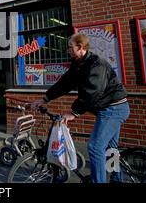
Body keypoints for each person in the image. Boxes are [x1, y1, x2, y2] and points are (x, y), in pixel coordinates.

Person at [31, 33, 129, 183]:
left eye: (70, 47)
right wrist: (45, 98)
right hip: (108, 109)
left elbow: (93, 91)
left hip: (113, 109)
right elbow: (65, 83)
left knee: (95, 148)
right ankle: (117, 178)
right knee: (111, 148)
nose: (68, 50)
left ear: (80, 47)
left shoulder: (97, 64)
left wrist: (74, 112)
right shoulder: (79, 64)